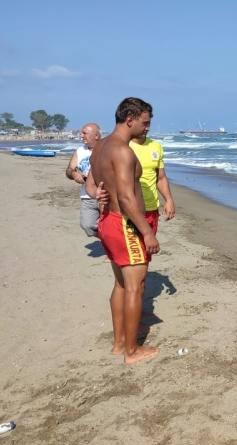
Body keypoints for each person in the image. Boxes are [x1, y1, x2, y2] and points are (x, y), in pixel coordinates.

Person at [87, 97, 160, 365]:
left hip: (108, 220)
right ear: (130, 119)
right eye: (145, 123)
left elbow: (91, 185)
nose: (147, 128)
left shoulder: (100, 147)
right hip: (124, 224)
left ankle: (119, 344)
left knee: (120, 284)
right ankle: (132, 351)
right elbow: (128, 199)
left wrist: (98, 195)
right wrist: (147, 232)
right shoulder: (122, 151)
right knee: (134, 287)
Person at [129, 131, 176, 233]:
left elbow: (161, 177)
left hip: (151, 208)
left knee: (149, 242)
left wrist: (169, 200)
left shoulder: (156, 146)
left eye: (148, 124)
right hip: (130, 209)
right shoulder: (123, 146)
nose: (146, 128)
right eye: (144, 124)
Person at [65, 123, 101, 237]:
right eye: (82, 133)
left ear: (96, 136)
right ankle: (105, 240)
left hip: (105, 196)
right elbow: (69, 169)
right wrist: (74, 174)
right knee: (87, 225)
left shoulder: (106, 149)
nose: (81, 135)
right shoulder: (80, 151)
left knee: (111, 226)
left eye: (85, 133)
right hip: (87, 197)